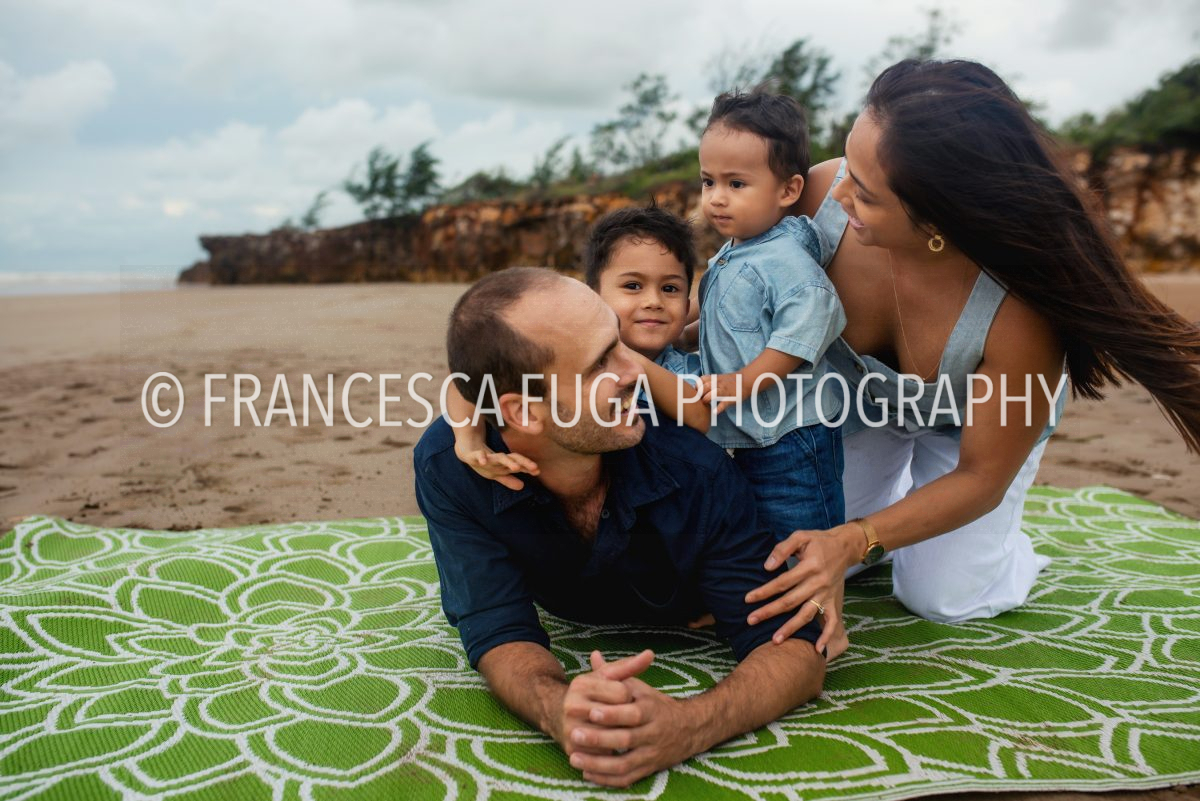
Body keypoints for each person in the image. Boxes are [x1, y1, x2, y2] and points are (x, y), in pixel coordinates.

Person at [745, 59, 1200, 654]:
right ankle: (895, 498)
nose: (841, 191)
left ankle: (996, 545)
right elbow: (739, 294)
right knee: (793, 555)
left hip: (973, 431)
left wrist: (857, 538)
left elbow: (981, 476)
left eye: (868, 193)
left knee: (945, 596)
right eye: (848, 166)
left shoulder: (1022, 313)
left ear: (939, 219)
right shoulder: (820, 200)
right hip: (856, 408)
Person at [413, 267, 826, 789]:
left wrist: (689, 725)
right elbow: (496, 626)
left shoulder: (693, 468)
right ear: (522, 413)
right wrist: (557, 710)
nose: (634, 371)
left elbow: (793, 648)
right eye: (599, 364)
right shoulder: (453, 468)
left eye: (619, 344)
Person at [694, 89, 848, 598]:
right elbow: (732, 321)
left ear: (788, 190)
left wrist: (742, 382)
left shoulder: (784, 260)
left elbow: (804, 328)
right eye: (709, 181)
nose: (717, 197)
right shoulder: (738, 248)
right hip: (755, 428)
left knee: (801, 528)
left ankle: (819, 610)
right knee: (761, 525)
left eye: (736, 184)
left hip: (794, 432)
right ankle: (773, 594)